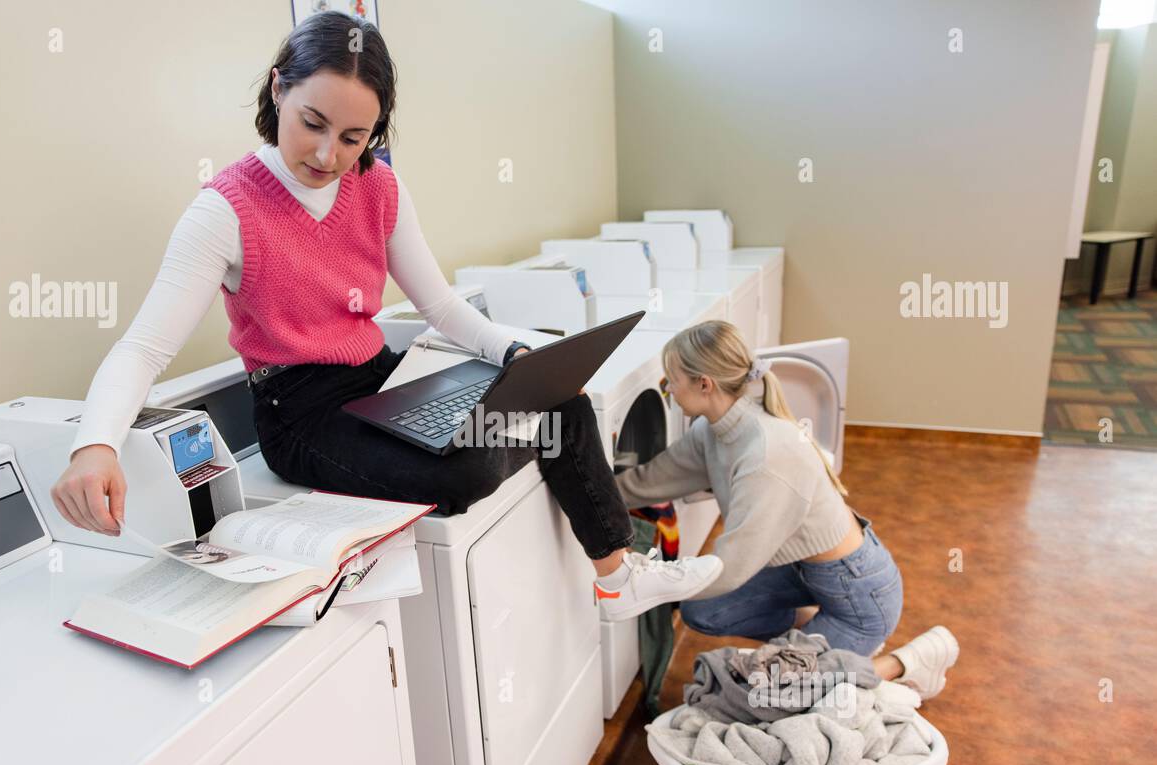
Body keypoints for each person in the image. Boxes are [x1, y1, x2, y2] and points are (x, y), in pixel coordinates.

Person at [49, 11, 722, 623]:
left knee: (561, 401)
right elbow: (142, 348)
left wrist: (514, 357)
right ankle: (544, 490)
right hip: (301, 412)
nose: (326, 156)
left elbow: (440, 306)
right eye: (312, 123)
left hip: (381, 377)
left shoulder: (378, 186)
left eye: (352, 137)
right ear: (279, 89)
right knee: (466, 473)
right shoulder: (224, 211)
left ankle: (616, 578)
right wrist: (95, 443)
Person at [615, 320, 959, 695]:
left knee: (770, 694)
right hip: (800, 574)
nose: (669, 390)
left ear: (704, 384)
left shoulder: (765, 453)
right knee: (702, 610)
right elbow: (649, 481)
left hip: (858, 592)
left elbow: (729, 569)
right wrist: (587, 499)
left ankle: (900, 662)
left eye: (672, 380)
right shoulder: (712, 431)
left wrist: (645, 583)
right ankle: (820, 639)